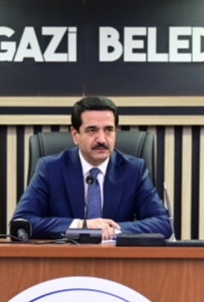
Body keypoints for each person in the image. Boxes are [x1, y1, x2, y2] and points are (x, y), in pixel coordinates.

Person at [12, 96, 171, 240]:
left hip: (117, 259)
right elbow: (21, 223)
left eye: (108, 130)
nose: (101, 139)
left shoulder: (134, 170)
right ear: (75, 135)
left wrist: (111, 230)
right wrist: (82, 225)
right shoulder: (50, 168)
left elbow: (162, 224)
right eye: (92, 130)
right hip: (65, 258)